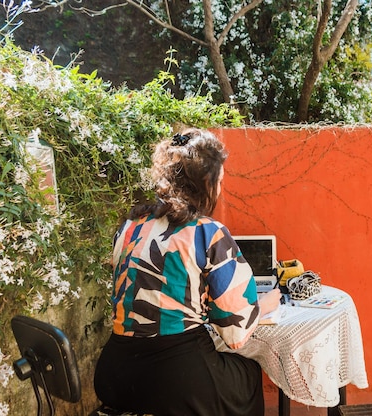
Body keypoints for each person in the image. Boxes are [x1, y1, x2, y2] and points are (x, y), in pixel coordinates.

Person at [93, 128, 282, 416]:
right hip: (178, 379)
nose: (219, 189)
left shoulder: (128, 227)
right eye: (218, 181)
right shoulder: (207, 233)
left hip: (115, 376)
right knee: (248, 375)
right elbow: (235, 333)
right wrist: (265, 305)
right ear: (206, 182)